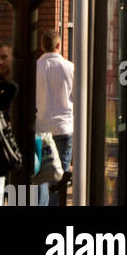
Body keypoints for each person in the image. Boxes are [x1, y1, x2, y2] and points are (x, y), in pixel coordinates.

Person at [35, 29, 74, 206]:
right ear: (59, 45)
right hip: (64, 127)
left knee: (42, 175)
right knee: (59, 178)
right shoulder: (69, 67)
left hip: (40, 129)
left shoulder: (34, 67)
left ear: (42, 46)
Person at [0, 41, 17, 207]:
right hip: (0, 157)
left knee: (23, 197)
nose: (0, 62)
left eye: (4, 57)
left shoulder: (22, 80)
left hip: (19, 153)